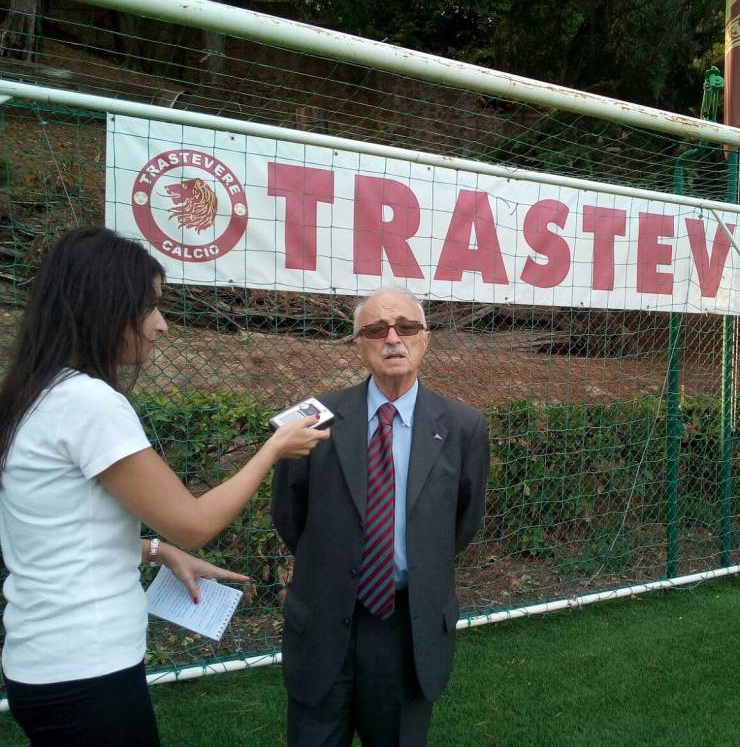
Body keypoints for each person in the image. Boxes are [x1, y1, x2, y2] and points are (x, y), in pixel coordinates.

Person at [0, 226, 330, 747]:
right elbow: (195, 523)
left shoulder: (35, 394)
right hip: (87, 670)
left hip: (42, 663)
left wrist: (157, 550)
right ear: (104, 307)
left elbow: (52, 530)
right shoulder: (90, 404)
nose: (162, 326)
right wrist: (273, 449)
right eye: (149, 307)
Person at [272, 286, 489, 747]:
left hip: (407, 629)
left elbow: (462, 523)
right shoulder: (313, 419)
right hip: (324, 620)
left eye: (406, 326)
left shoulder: (464, 426)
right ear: (358, 343)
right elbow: (289, 516)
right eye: (376, 329)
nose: (393, 338)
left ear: (425, 338)